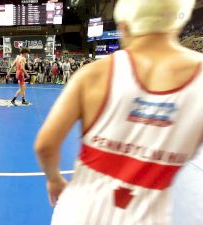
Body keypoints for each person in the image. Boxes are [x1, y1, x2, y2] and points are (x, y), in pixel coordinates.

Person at [34, 0, 201, 224]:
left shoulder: (94, 74)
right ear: (179, 20)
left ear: (124, 26)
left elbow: (45, 145)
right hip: (145, 216)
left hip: (81, 212)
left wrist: (53, 179)